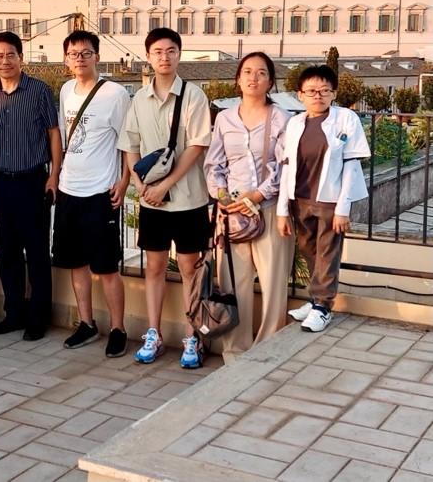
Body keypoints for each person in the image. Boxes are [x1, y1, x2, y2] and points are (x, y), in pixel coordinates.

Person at [117, 27, 211, 368]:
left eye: (171, 50)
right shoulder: (139, 99)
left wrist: (164, 184)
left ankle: (191, 337)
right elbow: (130, 144)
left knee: (189, 269)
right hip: (151, 201)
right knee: (154, 267)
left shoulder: (194, 96)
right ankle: (153, 334)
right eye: (157, 51)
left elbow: (196, 146)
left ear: (179, 54)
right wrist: (140, 185)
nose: (165, 57)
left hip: (188, 199)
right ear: (148, 56)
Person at [204, 52, 294, 361]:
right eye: (247, 72)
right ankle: (235, 351)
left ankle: (267, 351)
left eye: (261, 73)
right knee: (233, 283)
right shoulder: (225, 118)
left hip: (268, 209)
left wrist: (257, 195)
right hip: (231, 215)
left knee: (273, 283)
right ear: (238, 79)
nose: (253, 78)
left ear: (270, 81)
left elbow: (284, 166)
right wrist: (223, 197)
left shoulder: (281, 118)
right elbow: (214, 164)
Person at [0, 31, 62, 341]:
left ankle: (38, 318)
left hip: (33, 181)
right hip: (1, 182)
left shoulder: (39, 91)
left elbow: (54, 133)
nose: (5, 61)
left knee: (37, 252)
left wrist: (54, 175)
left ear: (21, 58)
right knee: (8, 252)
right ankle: (14, 314)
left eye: (10, 55)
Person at [53, 31, 131, 356]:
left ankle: (118, 328)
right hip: (68, 190)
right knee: (76, 264)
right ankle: (86, 323)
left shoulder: (115, 94)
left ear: (97, 57)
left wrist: (124, 182)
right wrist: (55, 177)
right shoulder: (65, 90)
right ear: (66, 60)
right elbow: (62, 136)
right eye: (74, 54)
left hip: (101, 193)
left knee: (107, 267)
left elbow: (128, 142)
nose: (80, 58)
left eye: (86, 53)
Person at [277, 64, 370, 333]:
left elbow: (351, 166)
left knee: (327, 252)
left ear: (333, 93)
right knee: (309, 251)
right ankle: (315, 299)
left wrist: (343, 208)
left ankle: (323, 306)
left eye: (324, 90)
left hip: (330, 200)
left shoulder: (346, 118)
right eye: (311, 91)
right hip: (300, 198)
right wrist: (282, 211)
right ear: (300, 95)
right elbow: (286, 166)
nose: (317, 96)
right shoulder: (295, 123)